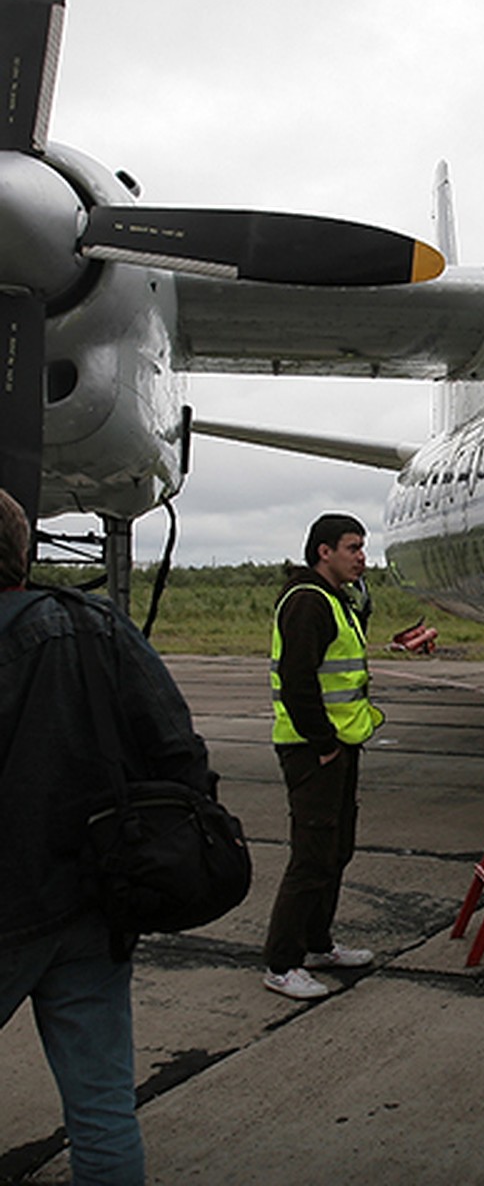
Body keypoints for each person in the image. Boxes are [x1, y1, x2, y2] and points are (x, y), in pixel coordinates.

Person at [0, 488, 212, 1186]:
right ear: (24, 552)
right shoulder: (95, 624)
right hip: (94, 904)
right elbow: (177, 747)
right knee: (102, 1109)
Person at [263, 513, 385, 1000]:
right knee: (311, 856)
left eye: (362, 547)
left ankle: (317, 943)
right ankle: (281, 963)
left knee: (336, 849)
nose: (362, 557)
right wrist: (324, 743)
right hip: (312, 749)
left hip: (340, 743)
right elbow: (297, 680)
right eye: (353, 547)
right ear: (323, 552)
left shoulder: (337, 600)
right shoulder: (307, 602)